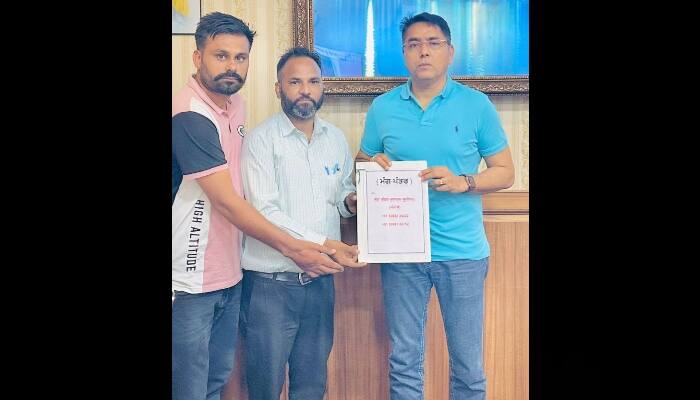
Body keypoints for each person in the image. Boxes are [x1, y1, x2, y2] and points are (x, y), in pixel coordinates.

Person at [172, 14, 345, 400]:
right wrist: (299, 248)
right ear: (197, 58)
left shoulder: (236, 105)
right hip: (189, 278)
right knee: (189, 387)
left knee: (217, 379)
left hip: (229, 272)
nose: (231, 66)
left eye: (240, 57)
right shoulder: (190, 115)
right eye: (220, 56)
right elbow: (230, 203)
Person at [356, 12, 515, 400]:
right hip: (400, 254)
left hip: (462, 253)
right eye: (413, 44)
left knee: (468, 367)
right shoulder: (383, 107)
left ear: (450, 52)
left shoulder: (476, 105)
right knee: (404, 362)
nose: (423, 52)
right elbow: (362, 161)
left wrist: (465, 182)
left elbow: (505, 172)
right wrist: (371, 165)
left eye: (433, 43)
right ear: (404, 53)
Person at [239, 47, 367, 400]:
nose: (305, 90)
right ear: (278, 88)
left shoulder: (335, 139)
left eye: (313, 81)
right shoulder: (261, 140)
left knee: (311, 386)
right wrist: (325, 244)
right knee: (264, 388)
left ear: (323, 86)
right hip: (270, 286)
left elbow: (340, 196)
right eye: (295, 82)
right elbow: (264, 210)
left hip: (320, 284)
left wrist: (352, 201)